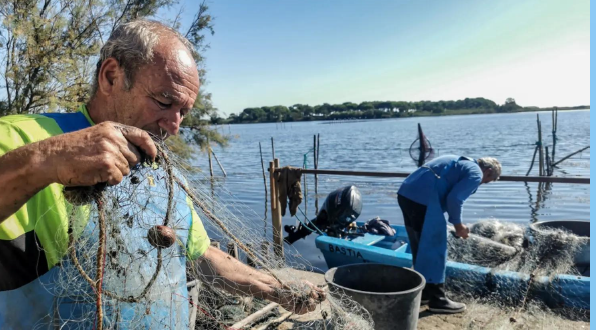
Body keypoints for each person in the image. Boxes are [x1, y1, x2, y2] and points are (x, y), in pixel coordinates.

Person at [0, 19, 324, 329]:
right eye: (164, 101)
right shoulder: (23, 139)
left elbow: (201, 255)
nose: (175, 126)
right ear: (111, 77)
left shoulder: (163, 173)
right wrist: (48, 158)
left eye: (183, 112)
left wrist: (274, 287)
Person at [397, 155, 501, 314]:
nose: (482, 183)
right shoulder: (476, 172)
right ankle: (438, 300)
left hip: (406, 194)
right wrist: (458, 225)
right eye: (486, 181)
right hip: (424, 200)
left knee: (420, 247)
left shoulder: (456, 160)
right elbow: (455, 198)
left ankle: (424, 292)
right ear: (487, 171)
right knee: (435, 249)